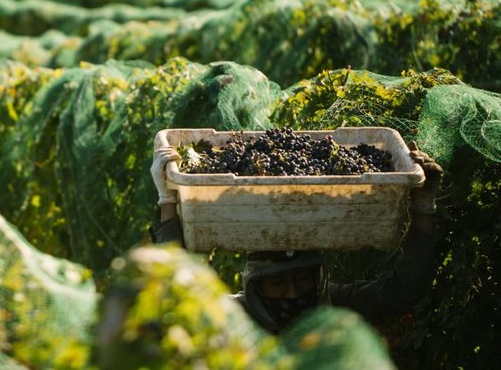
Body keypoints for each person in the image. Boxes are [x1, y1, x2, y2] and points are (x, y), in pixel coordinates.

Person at [149, 142, 444, 333]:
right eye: (278, 284)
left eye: (302, 280)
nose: (292, 294)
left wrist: (423, 207)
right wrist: (168, 200)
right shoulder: (234, 318)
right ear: (256, 284)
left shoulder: (334, 306)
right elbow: (178, 302)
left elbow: (402, 291)